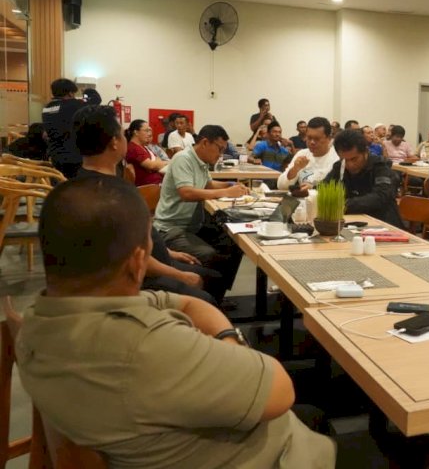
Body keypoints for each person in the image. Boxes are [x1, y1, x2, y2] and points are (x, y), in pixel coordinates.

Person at [16, 175, 336, 468]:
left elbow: (176, 301)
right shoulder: (146, 348)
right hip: (259, 454)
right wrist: (229, 339)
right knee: (316, 419)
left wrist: (214, 329)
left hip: (159, 434)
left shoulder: (40, 321)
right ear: (139, 261)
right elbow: (281, 391)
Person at [73, 105, 219, 304]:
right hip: (141, 280)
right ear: (115, 143)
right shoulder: (109, 195)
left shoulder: (88, 183)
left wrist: (169, 253)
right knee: (207, 292)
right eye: (123, 134)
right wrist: (180, 275)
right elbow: (130, 258)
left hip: (154, 261)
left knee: (213, 275)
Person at [154, 125, 248, 302]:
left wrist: (230, 186)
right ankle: (205, 298)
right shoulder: (183, 159)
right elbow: (187, 193)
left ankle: (217, 293)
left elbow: (207, 185)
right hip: (171, 228)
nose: (220, 154)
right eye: (219, 149)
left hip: (193, 225)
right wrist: (226, 193)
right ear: (205, 142)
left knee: (235, 243)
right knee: (209, 254)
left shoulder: (201, 161)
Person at [322, 129, 402, 227]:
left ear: (365, 151)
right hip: (351, 224)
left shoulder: (380, 167)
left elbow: (381, 196)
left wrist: (344, 205)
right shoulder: (339, 166)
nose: (349, 164)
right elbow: (323, 188)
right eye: (344, 159)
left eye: (354, 159)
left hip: (383, 224)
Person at [277, 117, 339, 195]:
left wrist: (313, 189)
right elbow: (281, 186)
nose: (312, 142)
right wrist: (295, 169)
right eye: (309, 138)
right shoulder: (302, 154)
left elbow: (337, 190)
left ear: (329, 138)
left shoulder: (337, 158)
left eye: (317, 139)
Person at [41, 78, 84, 178]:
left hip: (55, 154)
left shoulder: (47, 108)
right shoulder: (73, 105)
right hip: (73, 156)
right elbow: (95, 103)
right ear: (70, 93)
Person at [125, 119, 169, 186]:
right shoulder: (134, 148)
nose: (149, 134)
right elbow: (151, 165)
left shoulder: (144, 147)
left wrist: (156, 164)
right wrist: (166, 162)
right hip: (148, 187)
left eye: (149, 131)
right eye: (146, 131)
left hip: (157, 183)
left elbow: (157, 160)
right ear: (136, 132)